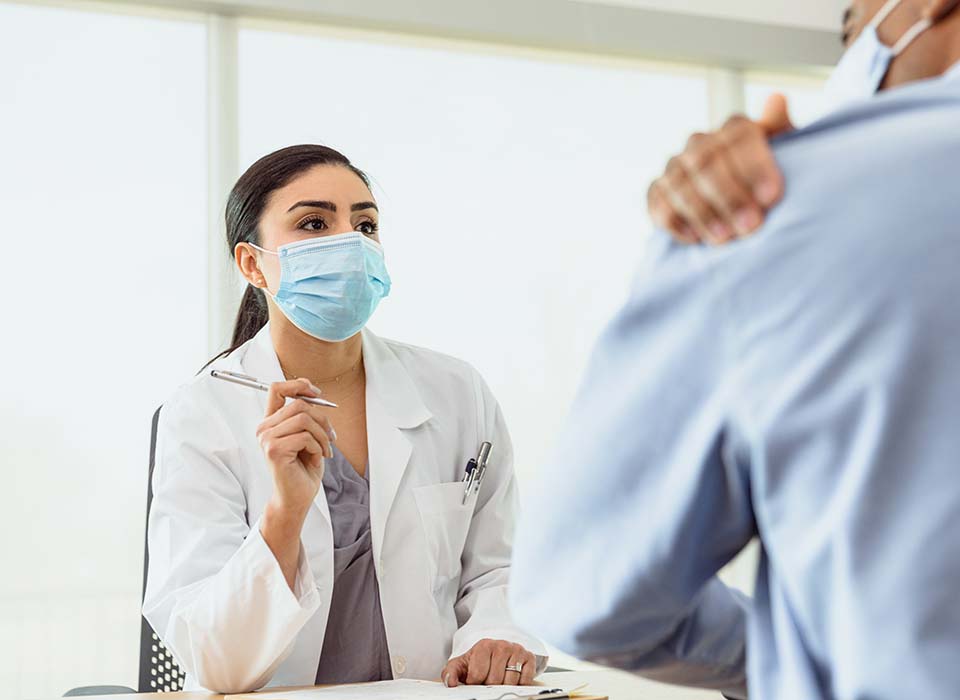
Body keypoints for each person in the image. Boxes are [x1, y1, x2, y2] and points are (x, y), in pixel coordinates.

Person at [510, 1, 960, 698]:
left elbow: (583, 594)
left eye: (849, 31)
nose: (847, 64)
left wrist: (809, 649)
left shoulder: (767, 204)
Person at [143, 145, 544, 693]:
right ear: (253, 264)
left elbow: (498, 568)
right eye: (313, 222)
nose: (351, 243)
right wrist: (284, 514)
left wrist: (495, 636)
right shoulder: (203, 414)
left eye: (365, 223)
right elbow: (217, 664)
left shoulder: (456, 391)